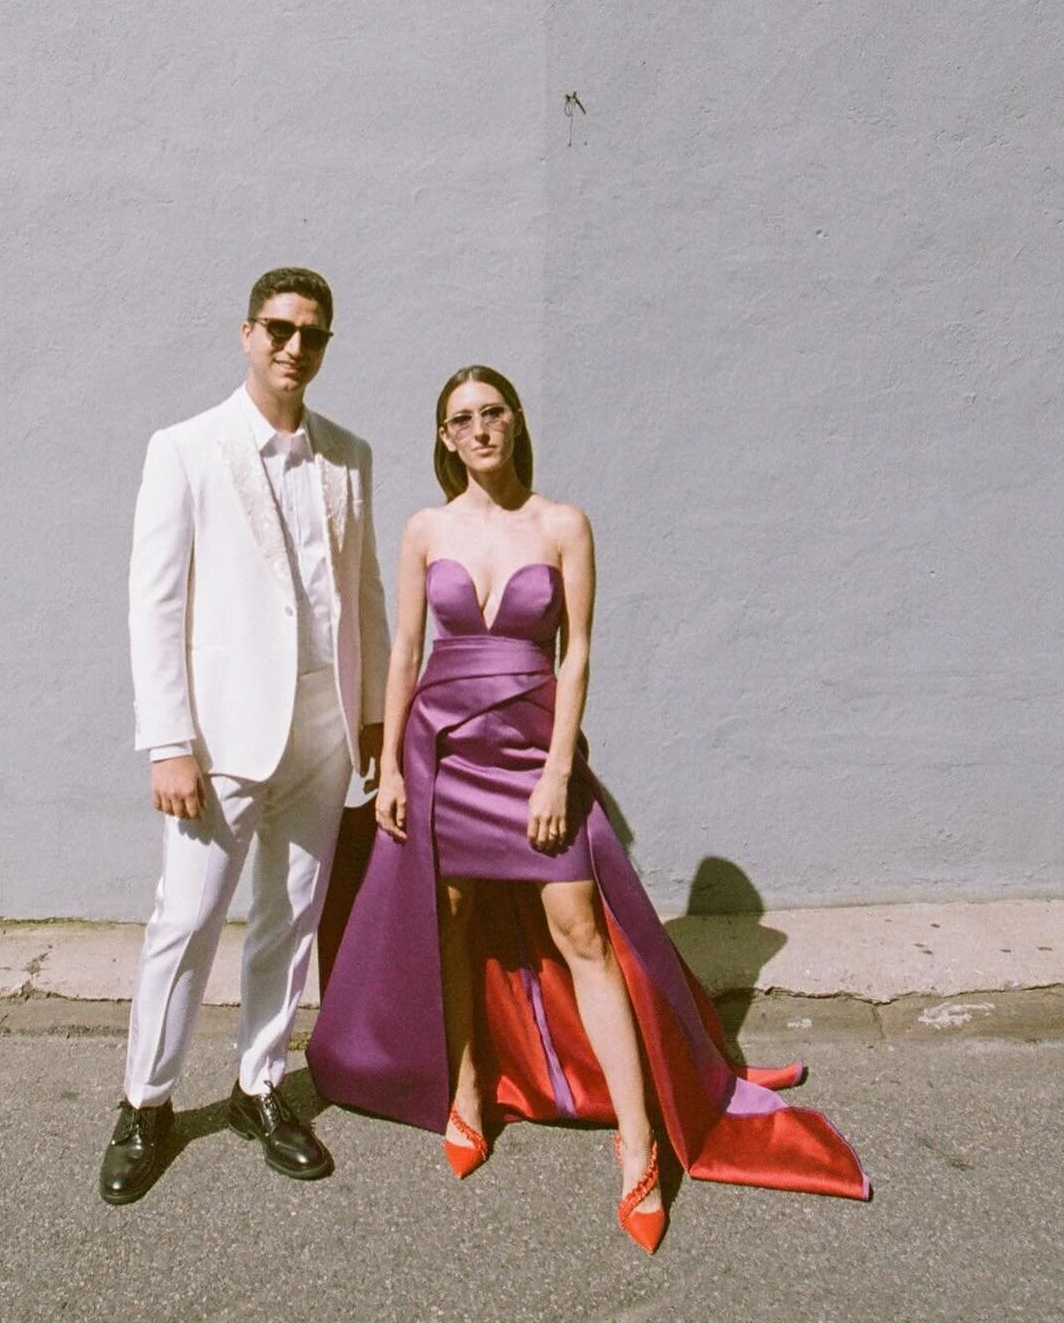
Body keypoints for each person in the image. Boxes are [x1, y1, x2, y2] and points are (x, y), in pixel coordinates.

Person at [307, 365, 868, 1253]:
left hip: (531, 753)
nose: (481, 428)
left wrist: (559, 769)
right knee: (447, 918)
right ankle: (462, 1096)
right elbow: (406, 649)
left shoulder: (563, 524)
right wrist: (393, 767)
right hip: (443, 753)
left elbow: (574, 658)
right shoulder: (424, 528)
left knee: (579, 930)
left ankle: (640, 1144)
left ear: (515, 424)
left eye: (495, 412)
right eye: (463, 419)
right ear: (445, 438)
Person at [99, 267, 390, 1206]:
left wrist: (375, 710)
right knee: (184, 921)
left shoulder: (349, 455)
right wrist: (167, 740)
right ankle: (146, 1102)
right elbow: (156, 603)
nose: (293, 346)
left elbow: (367, 595)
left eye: (312, 334)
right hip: (219, 733)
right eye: (279, 328)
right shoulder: (186, 448)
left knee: (292, 917)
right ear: (246, 332)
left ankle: (259, 1086)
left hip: (324, 722)